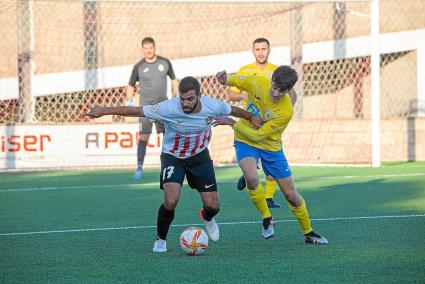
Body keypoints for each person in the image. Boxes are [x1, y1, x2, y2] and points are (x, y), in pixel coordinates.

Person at [87, 76, 262, 252]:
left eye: (190, 99)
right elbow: (137, 111)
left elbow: (233, 110)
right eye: (182, 99)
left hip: (199, 156)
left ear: (199, 96)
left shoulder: (212, 106)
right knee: (171, 200)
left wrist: (251, 117)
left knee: (213, 206)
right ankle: (160, 239)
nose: (185, 103)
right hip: (173, 156)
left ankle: (207, 217)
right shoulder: (168, 107)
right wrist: (104, 110)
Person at [214, 66, 328, 244]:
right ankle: (267, 218)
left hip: (270, 147)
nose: (275, 93)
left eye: (281, 91)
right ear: (271, 80)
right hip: (245, 140)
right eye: (274, 87)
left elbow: (259, 135)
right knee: (251, 177)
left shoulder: (286, 111)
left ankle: (308, 232)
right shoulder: (258, 81)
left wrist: (231, 122)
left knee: (291, 196)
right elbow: (238, 80)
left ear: (289, 90)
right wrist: (225, 80)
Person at [227, 37, 288, 209]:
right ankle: (249, 175)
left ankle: (268, 197)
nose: (261, 52)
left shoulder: (277, 71)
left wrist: (285, 111)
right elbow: (231, 94)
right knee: (251, 151)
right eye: (257, 49)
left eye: (264, 49)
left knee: (272, 154)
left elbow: (290, 93)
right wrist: (243, 95)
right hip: (251, 119)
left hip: (270, 120)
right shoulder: (245, 70)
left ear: (269, 50)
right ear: (253, 51)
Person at [126, 37, 180, 180]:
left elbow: (174, 79)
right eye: (146, 48)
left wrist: (177, 94)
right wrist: (129, 101)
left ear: (154, 48)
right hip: (145, 109)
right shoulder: (138, 66)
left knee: (167, 137)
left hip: (163, 107)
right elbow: (130, 85)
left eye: (150, 48)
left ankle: (167, 167)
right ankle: (139, 168)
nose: (148, 51)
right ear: (142, 49)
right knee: (143, 137)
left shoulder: (165, 62)